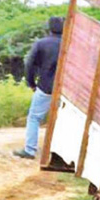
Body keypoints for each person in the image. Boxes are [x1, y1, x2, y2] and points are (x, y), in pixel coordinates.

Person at [13, 16, 64, 160]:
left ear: (49, 28)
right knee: (61, 120)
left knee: (34, 118)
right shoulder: (69, 44)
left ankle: (30, 150)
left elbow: (29, 64)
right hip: (65, 90)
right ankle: (59, 154)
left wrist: (31, 83)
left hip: (45, 87)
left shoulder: (41, 44)